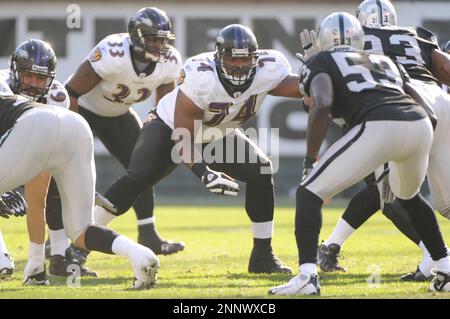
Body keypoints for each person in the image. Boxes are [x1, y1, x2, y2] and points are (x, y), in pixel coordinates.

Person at [94, 23, 303, 274]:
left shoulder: (268, 70)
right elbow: (183, 137)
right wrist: (205, 172)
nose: (238, 67)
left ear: (255, 59)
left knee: (261, 171)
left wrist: (317, 71)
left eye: (245, 60)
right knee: (138, 179)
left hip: (216, 132)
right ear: (218, 58)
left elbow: (302, 88)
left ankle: (262, 256)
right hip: (169, 127)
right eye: (230, 59)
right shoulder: (201, 76)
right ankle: (82, 239)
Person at [269, 12, 450, 295]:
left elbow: (320, 104)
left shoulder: (322, 59)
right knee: (407, 196)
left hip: (380, 124)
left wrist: (309, 160)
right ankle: (446, 266)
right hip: (420, 123)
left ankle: (306, 275)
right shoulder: (384, 60)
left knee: (308, 191)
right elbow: (416, 99)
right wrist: (423, 137)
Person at [318, 0, 450, 282]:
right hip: (438, 101)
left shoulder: (354, 40)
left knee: (390, 192)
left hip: (396, 106)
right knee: (445, 203)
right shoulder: (416, 33)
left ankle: (437, 258)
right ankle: (435, 261)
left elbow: (329, 92)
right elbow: (444, 68)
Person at [0, 71, 160, 288]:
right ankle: (139, 254)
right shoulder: (34, 92)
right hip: (76, 125)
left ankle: (9, 262)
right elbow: (37, 196)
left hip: (35, 123)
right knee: (80, 230)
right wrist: (35, 264)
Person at [64, 7, 184, 257]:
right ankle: (59, 243)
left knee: (144, 166)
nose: (160, 45)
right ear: (137, 36)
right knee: (70, 175)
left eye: (163, 39)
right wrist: (72, 132)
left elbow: (165, 107)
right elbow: (71, 91)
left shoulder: (169, 62)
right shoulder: (113, 52)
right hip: (84, 111)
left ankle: (148, 234)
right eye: (153, 38)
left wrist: (159, 137)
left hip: (119, 115)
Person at [0, 39, 97, 281]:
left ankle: (58, 255)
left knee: (57, 186)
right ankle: (2, 257)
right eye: (28, 76)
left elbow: (61, 149)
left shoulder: (57, 95)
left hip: (32, 156)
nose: (33, 84)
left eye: (40, 78)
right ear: (14, 72)